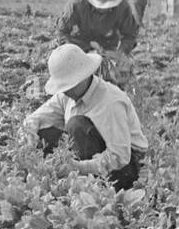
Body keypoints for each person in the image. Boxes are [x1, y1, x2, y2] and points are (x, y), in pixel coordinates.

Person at [22, 43, 148, 190]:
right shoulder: (67, 95)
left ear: (82, 77)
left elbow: (120, 157)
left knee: (76, 124)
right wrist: (29, 135)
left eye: (67, 85)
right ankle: (73, 178)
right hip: (90, 149)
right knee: (43, 133)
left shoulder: (110, 102)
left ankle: (93, 185)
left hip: (125, 167)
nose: (64, 90)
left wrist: (78, 168)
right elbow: (36, 119)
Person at [57, 0, 140, 60]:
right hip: (80, 44)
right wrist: (72, 52)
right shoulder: (77, 3)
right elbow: (62, 31)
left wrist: (120, 53)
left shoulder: (122, 7)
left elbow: (130, 34)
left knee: (124, 66)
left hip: (108, 45)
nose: (104, 8)